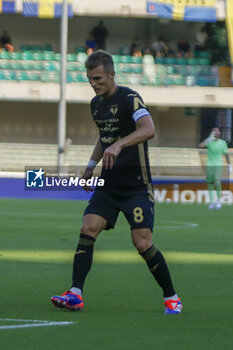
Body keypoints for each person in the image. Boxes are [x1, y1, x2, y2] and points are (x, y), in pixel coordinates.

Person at [51, 50, 183, 314]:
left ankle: (172, 297)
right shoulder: (96, 104)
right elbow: (105, 136)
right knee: (88, 227)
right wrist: (90, 166)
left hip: (135, 184)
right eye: (90, 78)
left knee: (142, 242)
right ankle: (76, 293)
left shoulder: (130, 99)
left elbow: (149, 129)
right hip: (108, 184)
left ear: (112, 74)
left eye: (98, 78)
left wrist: (120, 145)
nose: (93, 83)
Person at [199, 127, 232, 209]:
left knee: (217, 181)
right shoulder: (209, 141)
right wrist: (209, 139)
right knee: (210, 184)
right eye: (213, 130)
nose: (215, 132)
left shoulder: (223, 143)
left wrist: (229, 165)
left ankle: (218, 201)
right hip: (209, 165)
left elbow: (226, 154)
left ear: (220, 133)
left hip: (218, 165)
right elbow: (200, 146)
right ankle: (211, 202)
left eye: (217, 130)